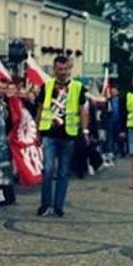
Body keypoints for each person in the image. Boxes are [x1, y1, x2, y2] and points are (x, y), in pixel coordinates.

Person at [35, 55, 89, 216]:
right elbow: (39, 109)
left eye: (65, 69)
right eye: (60, 69)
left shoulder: (77, 87)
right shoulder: (47, 86)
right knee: (48, 169)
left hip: (68, 135)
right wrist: (37, 131)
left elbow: (82, 110)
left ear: (69, 69)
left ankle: (58, 206)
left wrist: (85, 130)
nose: (63, 72)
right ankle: (45, 204)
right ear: (54, 69)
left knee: (64, 172)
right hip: (49, 133)